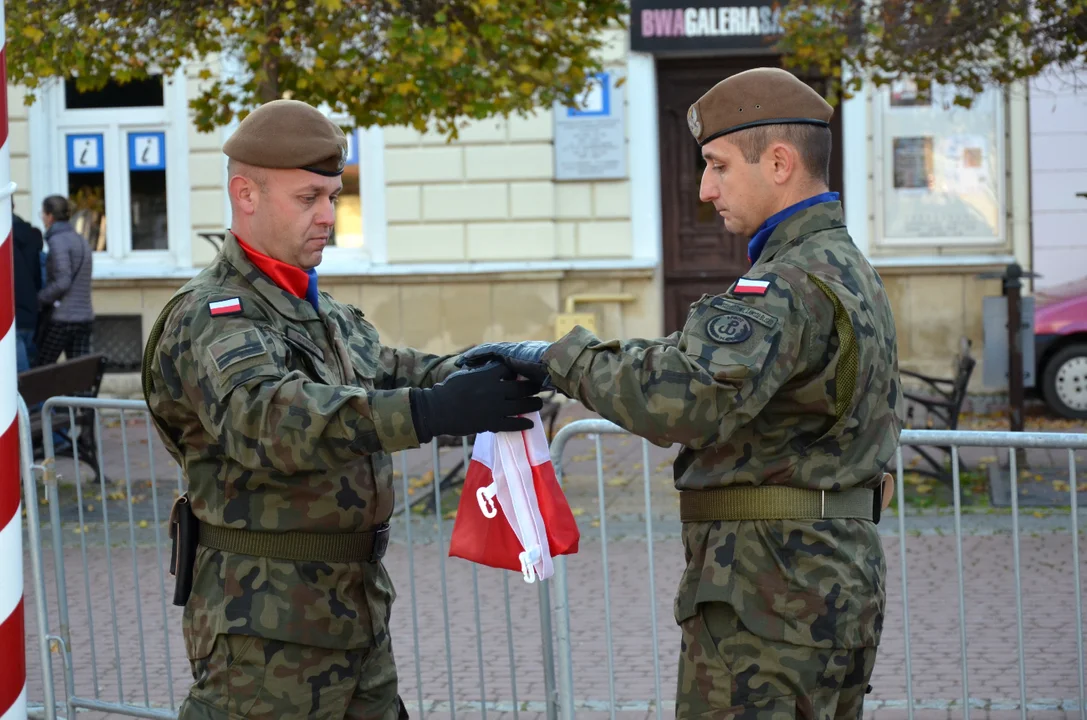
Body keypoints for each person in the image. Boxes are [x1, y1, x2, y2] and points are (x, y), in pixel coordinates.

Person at [460, 67, 903, 718]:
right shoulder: (843, 267)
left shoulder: (785, 284)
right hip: (822, 583)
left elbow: (682, 395)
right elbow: (701, 363)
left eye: (717, 165)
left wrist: (554, 359)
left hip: (770, 595)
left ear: (777, 163)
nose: (704, 188)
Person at [141, 98, 543, 720]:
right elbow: (268, 418)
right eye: (309, 199)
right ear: (245, 195)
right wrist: (431, 410)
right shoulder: (213, 316)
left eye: (334, 195)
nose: (329, 216)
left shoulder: (319, 312)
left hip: (354, 617)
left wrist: (489, 369)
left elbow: (389, 369)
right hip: (265, 629)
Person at [35, 194, 94, 366]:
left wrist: (39, 298)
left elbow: (63, 281)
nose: (43, 219)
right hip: (84, 316)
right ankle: (81, 395)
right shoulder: (80, 239)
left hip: (63, 318)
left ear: (50, 216)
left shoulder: (58, 241)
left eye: (43, 214)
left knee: (41, 368)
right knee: (79, 373)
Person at [12, 198, 44, 371]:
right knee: (30, 379)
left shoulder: (6, 239)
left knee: (20, 379)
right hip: (31, 314)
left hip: (11, 318)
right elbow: (41, 276)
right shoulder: (32, 235)